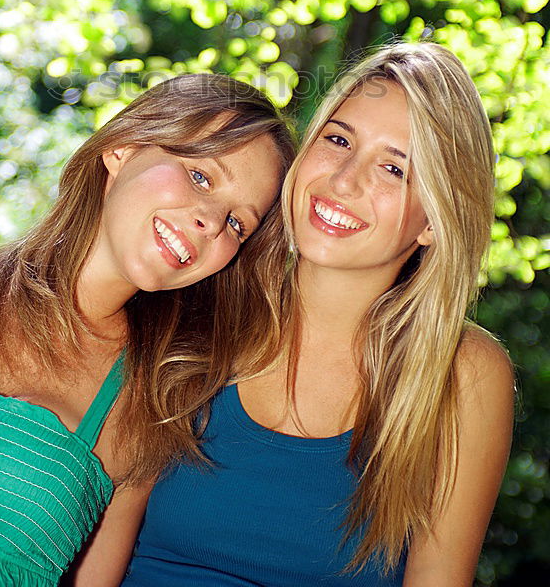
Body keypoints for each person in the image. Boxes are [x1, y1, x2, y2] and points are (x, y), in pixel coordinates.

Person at [124, 43, 515, 587]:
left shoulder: (462, 375)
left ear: (434, 221)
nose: (344, 180)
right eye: (337, 140)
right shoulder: (200, 298)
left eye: (394, 168)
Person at [0, 73, 296, 587]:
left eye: (238, 223)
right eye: (201, 177)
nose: (210, 222)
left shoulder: (146, 414)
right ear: (123, 147)